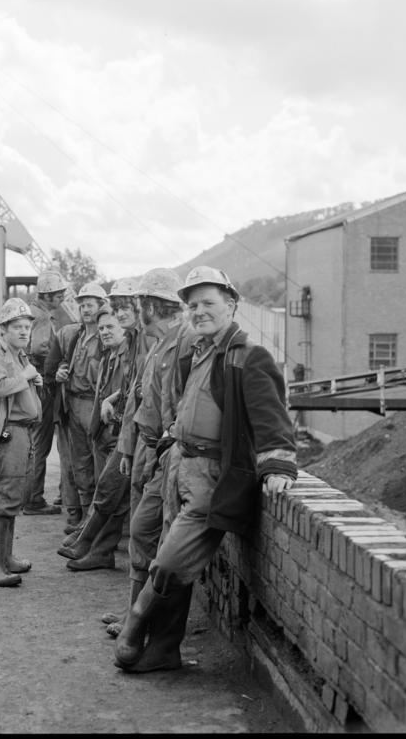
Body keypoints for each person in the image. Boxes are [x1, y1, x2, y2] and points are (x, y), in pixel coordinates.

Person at [114, 266, 298, 672]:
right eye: (192, 305)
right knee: (166, 554)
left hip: (212, 476)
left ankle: (135, 622)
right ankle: (164, 650)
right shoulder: (199, 351)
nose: (198, 311)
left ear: (231, 304)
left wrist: (278, 464)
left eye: (208, 303)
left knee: (169, 563)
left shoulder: (249, 356)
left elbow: (271, 418)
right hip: (179, 462)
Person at [104, 268, 191, 637]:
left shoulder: (185, 344)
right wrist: (129, 448)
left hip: (169, 457)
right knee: (141, 534)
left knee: (157, 540)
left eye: (139, 302)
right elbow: (141, 404)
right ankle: (133, 614)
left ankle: (149, 628)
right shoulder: (157, 345)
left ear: (152, 306)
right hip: (147, 450)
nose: (134, 309)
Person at [0, 298, 43, 587]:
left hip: (21, 431)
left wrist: (35, 384)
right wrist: (25, 376)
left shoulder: (20, 356)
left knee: (12, 496)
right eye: (17, 327)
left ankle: (6, 558)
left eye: (27, 327)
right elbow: (1, 387)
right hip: (6, 433)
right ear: (4, 329)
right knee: (2, 498)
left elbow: (22, 392)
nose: (24, 331)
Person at [58, 305, 132, 571]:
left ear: (125, 328)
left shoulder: (129, 358)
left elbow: (130, 395)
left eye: (110, 327)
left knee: (110, 494)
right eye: (101, 328)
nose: (104, 332)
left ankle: (92, 544)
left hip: (119, 436)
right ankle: (99, 549)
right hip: (104, 435)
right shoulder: (110, 356)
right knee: (112, 496)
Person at [44, 282, 107, 532]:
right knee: (78, 465)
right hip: (73, 404)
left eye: (89, 304)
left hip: (95, 406)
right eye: (81, 305)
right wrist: (59, 372)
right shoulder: (74, 336)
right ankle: (81, 517)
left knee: (98, 465)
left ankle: (96, 520)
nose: (84, 309)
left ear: (101, 306)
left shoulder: (107, 336)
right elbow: (52, 367)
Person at [22, 270, 70, 515]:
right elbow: (41, 349)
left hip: (33, 385)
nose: (62, 298)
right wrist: (60, 358)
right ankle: (33, 500)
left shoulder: (35, 313)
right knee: (40, 444)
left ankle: (28, 496)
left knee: (34, 443)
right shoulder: (41, 317)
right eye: (60, 294)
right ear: (49, 295)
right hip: (43, 385)